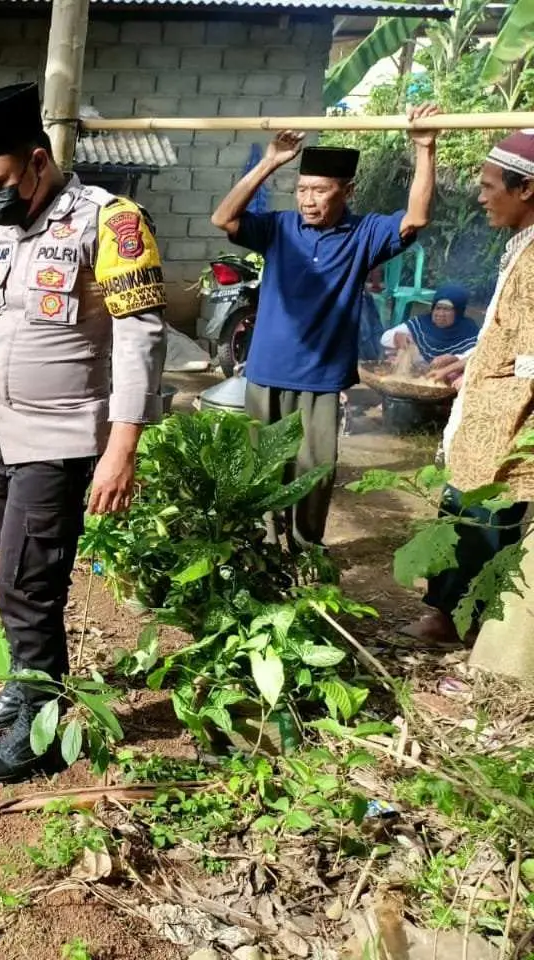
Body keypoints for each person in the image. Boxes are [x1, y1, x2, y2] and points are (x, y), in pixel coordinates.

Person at [0, 83, 166, 784]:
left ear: (39, 162)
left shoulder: (111, 223)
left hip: (65, 438)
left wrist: (122, 444)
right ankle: (27, 681)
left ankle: (41, 730)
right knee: (15, 573)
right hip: (3, 435)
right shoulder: (0, 234)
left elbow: (141, 337)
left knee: (27, 582)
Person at [210, 103, 441, 550]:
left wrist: (425, 149)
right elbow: (224, 219)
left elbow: (416, 219)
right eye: (301, 190)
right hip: (266, 371)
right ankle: (261, 549)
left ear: (347, 190)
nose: (307, 200)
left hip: (319, 378)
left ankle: (304, 550)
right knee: (262, 468)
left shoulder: (365, 234)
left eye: (319, 190)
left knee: (313, 472)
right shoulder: (279, 228)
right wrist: (271, 161)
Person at [403, 129, 534, 646]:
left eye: (487, 186)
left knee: (477, 518)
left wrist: (494, 377)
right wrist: (471, 361)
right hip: (491, 415)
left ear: (525, 189)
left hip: (506, 424)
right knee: (466, 512)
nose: (479, 196)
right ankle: (455, 615)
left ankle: (453, 619)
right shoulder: (522, 246)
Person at [381, 285, 479, 378]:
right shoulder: (422, 322)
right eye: (438, 308)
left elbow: (477, 353)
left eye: (447, 309)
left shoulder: (469, 330)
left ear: (458, 312)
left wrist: (455, 358)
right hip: (417, 373)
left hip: (447, 376)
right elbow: (385, 337)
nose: (440, 314)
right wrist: (397, 337)